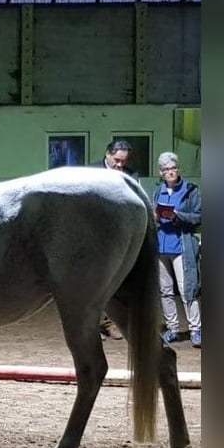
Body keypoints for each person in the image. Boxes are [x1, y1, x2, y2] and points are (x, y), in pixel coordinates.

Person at [90, 139, 139, 340]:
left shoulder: (131, 175)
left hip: (118, 238)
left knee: (115, 282)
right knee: (91, 283)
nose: (120, 165)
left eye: (123, 161)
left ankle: (111, 323)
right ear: (108, 154)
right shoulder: (89, 172)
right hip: (92, 237)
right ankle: (91, 326)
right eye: (117, 160)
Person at [152, 151, 202, 348]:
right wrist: (156, 218)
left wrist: (177, 216)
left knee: (187, 289)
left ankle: (196, 329)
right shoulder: (158, 192)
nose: (170, 172)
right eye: (166, 169)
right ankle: (173, 328)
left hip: (181, 246)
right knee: (165, 291)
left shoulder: (191, 190)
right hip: (161, 246)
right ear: (161, 173)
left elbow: (199, 217)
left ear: (177, 169)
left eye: (173, 168)